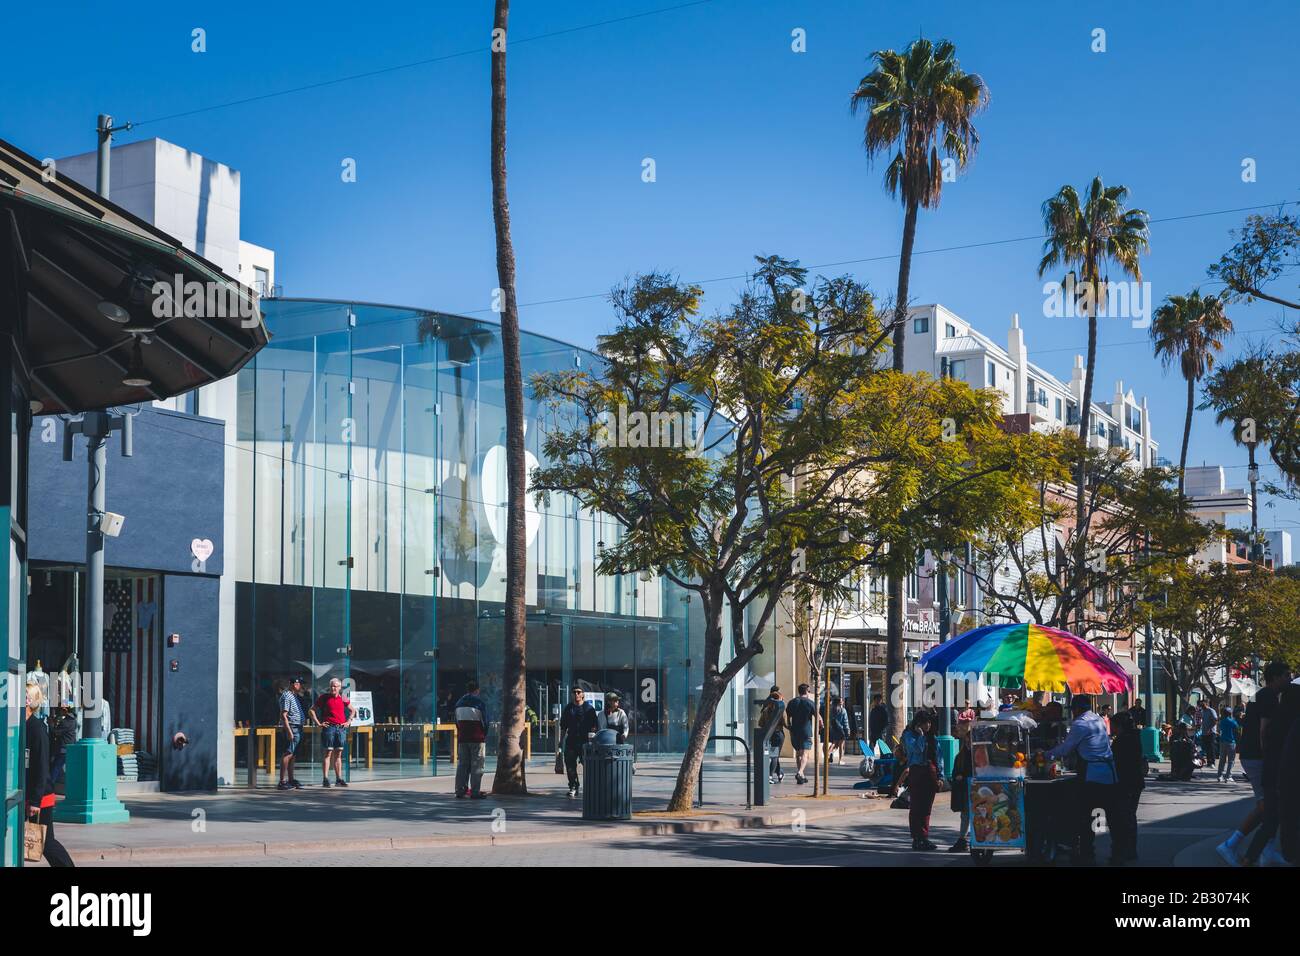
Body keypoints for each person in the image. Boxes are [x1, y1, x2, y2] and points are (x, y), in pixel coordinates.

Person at [1218, 662, 1291, 865]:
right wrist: (1269, 758)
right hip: (1257, 757)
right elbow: (1264, 730)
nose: (1289, 678)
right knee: (1266, 805)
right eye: (1286, 675)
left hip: (1252, 754)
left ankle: (1266, 850)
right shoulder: (1268, 696)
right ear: (1275, 677)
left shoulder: (1260, 695)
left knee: (1271, 806)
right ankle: (1231, 845)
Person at [1046, 694, 1116, 864]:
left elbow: (1066, 748)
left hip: (1092, 774)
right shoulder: (1097, 719)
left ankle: (1086, 853)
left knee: (1085, 816)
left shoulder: (1080, 723)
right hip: (1109, 773)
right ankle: (1119, 851)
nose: (1072, 714)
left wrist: (1044, 754)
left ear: (1077, 709)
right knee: (1111, 816)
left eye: (1073, 710)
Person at [1243, 676, 1298, 866]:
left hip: (1272, 772)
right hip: (1281, 776)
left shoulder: (1279, 718)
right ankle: (1250, 855)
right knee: (1274, 819)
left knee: (1272, 820)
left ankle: (1253, 857)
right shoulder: (1291, 721)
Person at [25, 684, 73, 867]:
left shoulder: (37, 729)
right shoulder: (22, 726)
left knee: (45, 841)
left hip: (40, 796)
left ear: (29, 702)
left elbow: (41, 767)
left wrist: (35, 801)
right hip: (29, 793)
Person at [899, 710, 939, 851]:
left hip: (930, 771)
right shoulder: (910, 735)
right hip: (917, 771)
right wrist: (921, 736)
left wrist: (940, 776)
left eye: (929, 722)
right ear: (918, 724)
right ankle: (917, 837)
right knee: (916, 806)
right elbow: (917, 750)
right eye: (925, 723)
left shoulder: (932, 737)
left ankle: (924, 836)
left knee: (926, 807)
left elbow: (938, 756)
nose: (927, 725)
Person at [1110, 710, 1147, 864]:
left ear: (1119, 726)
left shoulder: (1122, 741)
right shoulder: (1135, 737)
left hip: (1125, 783)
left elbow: (1116, 761)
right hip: (1136, 782)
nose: (1112, 729)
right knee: (1130, 816)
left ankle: (1123, 851)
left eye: (1113, 726)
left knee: (1122, 817)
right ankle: (1131, 850)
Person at [309, 677, 356, 788]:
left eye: (335, 686)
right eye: (332, 686)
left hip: (340, 728)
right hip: (329, 728)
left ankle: (338, 779)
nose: (333, 688)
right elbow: (311, 710)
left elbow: (353, 710)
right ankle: (325, 779)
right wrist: (318, 723)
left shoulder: (343, 698)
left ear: (340, 687)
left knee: (338, 754)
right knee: (328, 753)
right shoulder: (324, 698)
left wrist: (348, 721)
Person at [453, 679, 489, 799]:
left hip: (463, 738)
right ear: (477, 690)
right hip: (477, 738)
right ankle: (475, 791)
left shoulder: (458, 703)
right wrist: (484, 734)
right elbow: (485, 722)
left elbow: (457, 723)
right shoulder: (479, 703)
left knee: (462, 765)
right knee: (477, 766)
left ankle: (460, 790)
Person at [559, 687, 598, 798]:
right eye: (574, 692)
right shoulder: (568, 709)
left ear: (583, 694)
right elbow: (563, 727)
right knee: (570, 765)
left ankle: (591, 787)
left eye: (578, 692)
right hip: (571, 741)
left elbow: (594, 727)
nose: (576, 694)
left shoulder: (589, 709)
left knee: (589, 766)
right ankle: (573, 787)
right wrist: (561, 741)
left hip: (585, 742)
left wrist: (593, 741)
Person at [948, 712, 974, 853]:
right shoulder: (961, 756)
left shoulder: (980, 753)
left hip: (976, 787)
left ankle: (971, 839)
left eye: (971, 740)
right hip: (965, 788)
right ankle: (962, 839)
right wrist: (958, 776)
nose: (969, 743)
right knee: (965, 815)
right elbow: (955, 771)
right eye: (968, 740)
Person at [784, 684, 820, 785]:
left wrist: (789, 726)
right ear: (807, 691)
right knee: (805, 754)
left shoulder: (792, 702)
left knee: (798, 753)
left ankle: (801, 776)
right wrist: (820, 725)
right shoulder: (810, 703)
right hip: (806, 731)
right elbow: (817, 716)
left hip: (794, 731)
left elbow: (786, 716)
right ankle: (800, 772)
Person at [277, 677, 308, 790]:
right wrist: (289, 731)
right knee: (288, 752)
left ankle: (291, 779)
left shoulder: (294, 696)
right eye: (298, 684)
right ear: (292, 684)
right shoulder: (287, 695)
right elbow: (283, 715)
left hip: (297, 727)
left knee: (293, 754)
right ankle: (282, 781)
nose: (300, 686)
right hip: (292, 727)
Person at [758, 688, 786, 784]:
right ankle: (770, 775)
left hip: (768, 734)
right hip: (778, 734)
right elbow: (785, 722)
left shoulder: (765, 710)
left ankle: (779, 773)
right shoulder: (780, 710)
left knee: (774, 755)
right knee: (775, 755)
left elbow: (760, 723)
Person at [48, 705, 77, 786]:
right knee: (62, 768)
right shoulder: (74, 721)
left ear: (65, 710)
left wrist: (50, 723)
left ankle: (50, 785)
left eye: (61, 710)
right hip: (70, 747)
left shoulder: (65, 722)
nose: (60, 712)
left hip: (64, 748)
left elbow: (55, 732)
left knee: (56, 767)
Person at [1215, 705, 1240, 783]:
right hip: (1231, 742)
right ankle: (1228, 776)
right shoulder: (1232, 721)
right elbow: (1238, 729)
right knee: (1231, 760)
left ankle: (1219, 776)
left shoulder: (1221, 721)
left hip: (1222, 742)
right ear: (1230, 713)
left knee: (1222, 760)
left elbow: (1219, 730)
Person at [829, 697, 850, 766]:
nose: (843, 702)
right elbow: (845, 721)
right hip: (841, 729)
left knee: (834, 742)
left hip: (833, 729)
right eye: (842, 701)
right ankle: (840, 760)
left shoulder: (832, 710)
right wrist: (847, 730)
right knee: (841, 744)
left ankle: (829, 753)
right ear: (840, 702)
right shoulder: (843, 710)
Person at [1197, 699, 1219, 764]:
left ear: (1206, 704)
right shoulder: (1202, 711)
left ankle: (1212, 762)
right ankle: (1209, 761)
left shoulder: (1211, 711)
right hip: (1204, 732)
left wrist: (1210, 729)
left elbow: (1216, 721)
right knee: (1206, 747)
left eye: (1202, 704)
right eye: (1201, 705)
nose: (1201, 706)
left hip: (1211, 732)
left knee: (1211, 747)